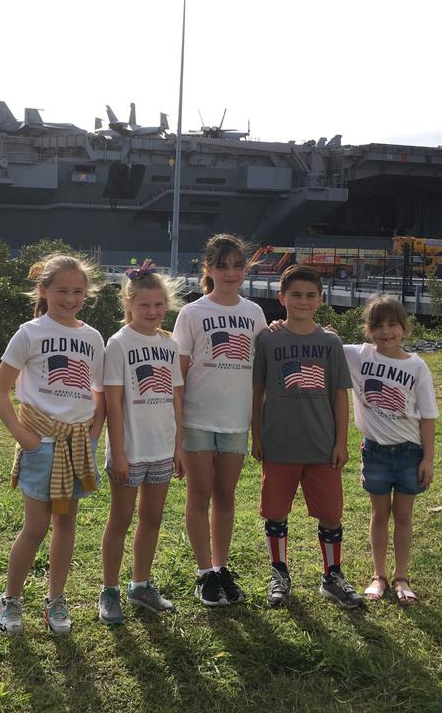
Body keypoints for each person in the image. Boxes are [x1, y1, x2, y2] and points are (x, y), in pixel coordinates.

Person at [0, 254, 106, 636]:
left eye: (78, 291)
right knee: (35, 526)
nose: (70, 299)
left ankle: (56, 599)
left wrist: (92, 432)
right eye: (61, 291)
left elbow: (96, 388)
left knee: (66, 523)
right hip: (41, 442)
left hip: (76, 443)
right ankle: (11, 599)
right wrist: (24, 438)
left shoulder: (92, 337)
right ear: (43, 291)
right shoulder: (29, 333)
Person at [252, 265, 363, 609]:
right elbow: (257, 393)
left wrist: (341, 442)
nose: (303, 301)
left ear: (320, 300)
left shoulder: (330, 342)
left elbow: (340, 396)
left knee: (331, 513)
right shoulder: (268, 339)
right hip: (280, 443)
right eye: (295, 295)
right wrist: (257, 436)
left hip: (321, 445)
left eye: (310, 295)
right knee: (275, 512)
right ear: (281, 298)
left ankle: (332, 576)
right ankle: (279, 573)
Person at [172, 234, 266, 606]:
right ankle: (203, 573)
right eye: (222, 265)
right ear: (207, 269)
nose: (231, 272)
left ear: (246, 269)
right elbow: (177, 377)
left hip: (235, 421)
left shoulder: (254, 312)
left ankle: (221, 566)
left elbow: (263, 366)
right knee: (199, 494)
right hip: (197, 418)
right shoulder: (192, 313)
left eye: (237, 265)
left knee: (226, 496)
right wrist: (176, 434)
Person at [98, 260, 185, 624]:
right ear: (129, 305)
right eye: (144, 305)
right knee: (119, 519)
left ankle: (140, 584)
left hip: (162, 448)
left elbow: (176, 399)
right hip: (130, 451)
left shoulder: (169, 343)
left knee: (152, 518)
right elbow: (113, 404)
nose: (153, 312)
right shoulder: (118, 344)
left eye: (159, 305)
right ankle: (109, 590)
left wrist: (179, 447)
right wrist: (118, 452)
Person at [343, 295, 438, 606]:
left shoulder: (416, 366)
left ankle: (401, 576)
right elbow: (321, 341)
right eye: (378, 326)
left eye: (392, 325)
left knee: (404, 516)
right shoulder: (358, 356)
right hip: (376, 453)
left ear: (404, 328)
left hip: (410, 453)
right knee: (379, 514)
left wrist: (428, 459)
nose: (386, 332)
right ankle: (378, 575)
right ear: (368, 330)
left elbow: (427, 416)